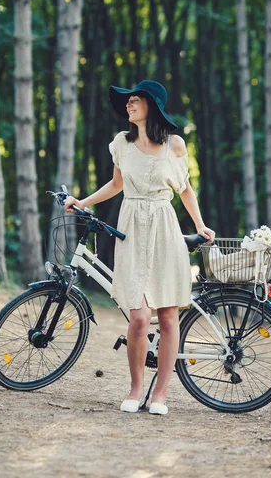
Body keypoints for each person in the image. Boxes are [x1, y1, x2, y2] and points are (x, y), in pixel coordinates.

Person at [65, 80, 215, 415]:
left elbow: (185, 190)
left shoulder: (174, 146)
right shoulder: (121, 143)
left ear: (152, 106)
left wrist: (200, 224)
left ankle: (159, 394)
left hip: (164, 226)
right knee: (138, 316)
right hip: (132, 225)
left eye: (135, 101)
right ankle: (135, 389)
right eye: (128, 101)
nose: (129, 105)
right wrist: (83, 202)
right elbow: (117, 184)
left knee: (167, 316)